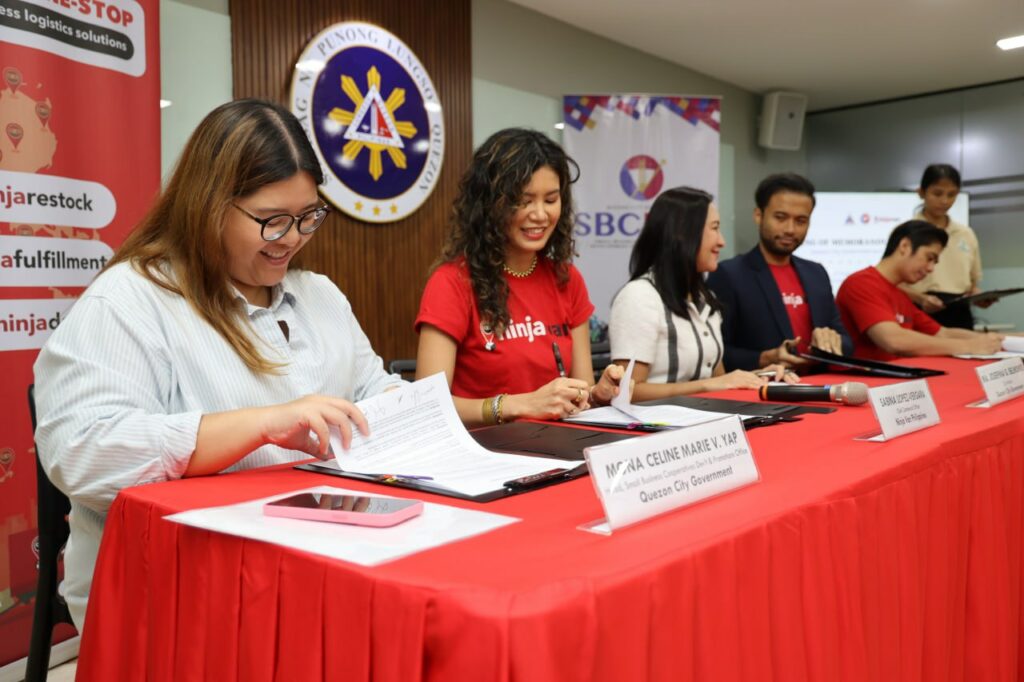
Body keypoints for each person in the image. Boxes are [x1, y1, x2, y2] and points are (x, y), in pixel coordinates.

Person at [33, 99, 402, 630]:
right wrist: (261, 424)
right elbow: (81, 452)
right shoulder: (131, 299)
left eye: (308, 216)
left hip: (314, 555)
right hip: (175, 582)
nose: (293, 238)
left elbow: (371, 387)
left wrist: (403, 409)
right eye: (272, 221)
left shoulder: (319, 295)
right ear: (208, 205)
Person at [415, 128, 622, 425]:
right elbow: (427, 407)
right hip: (484, 449)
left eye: (550, 200)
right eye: (523, 201)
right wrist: (516, 405)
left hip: (559, 445)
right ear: (489, 204)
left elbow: (581, 392)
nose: (540, 215)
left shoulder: (567, 278)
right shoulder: (452, 282)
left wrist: (597, 394)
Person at [608, 187, 797, 401]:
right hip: (655, 421)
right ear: (682, 233)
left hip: (706, 416)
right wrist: (709, 385)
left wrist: (758, 377)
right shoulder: (639, 296)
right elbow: (627, 391)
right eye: (714, 228)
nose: (721, 241)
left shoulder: (704, 297)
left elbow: (719, 381)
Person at [706, 173, 853, 371]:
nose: (790, 229)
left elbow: (847, 343)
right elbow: (713, 351)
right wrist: (765, 358)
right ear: (758, 215)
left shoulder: (816, 273)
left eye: (801, 221)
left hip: (819, 384)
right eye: (780, 218)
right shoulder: (729, 274)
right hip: (764, 386)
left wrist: (832, 341)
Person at [835, 220, 1003, 360]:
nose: (931, 268)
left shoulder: (900, 294)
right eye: (929, 258)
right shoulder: (861, 284)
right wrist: (968, 346)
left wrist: (991, 340)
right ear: (905, 246)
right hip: (861, 383)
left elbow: (942, 333)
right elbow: (894, 340)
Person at [901, 164, 985, 329]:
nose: (945, 201)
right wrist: (920, 299)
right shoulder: (906, 232)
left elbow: (972, 282)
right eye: (937, 193)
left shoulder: (965, 234)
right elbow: (891, 281)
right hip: (919, 309)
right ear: (921, 192)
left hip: (959, 313)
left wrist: (978, 296)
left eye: (951, 194)